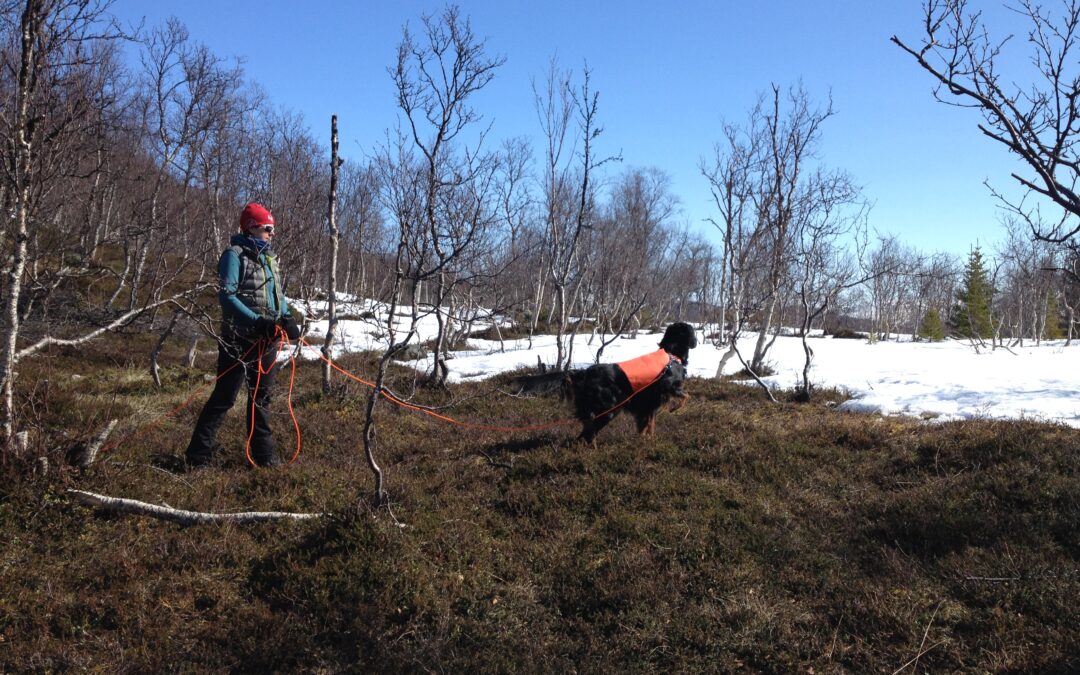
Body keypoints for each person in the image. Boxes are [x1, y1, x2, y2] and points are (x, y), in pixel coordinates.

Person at [184, 202, 301, 469]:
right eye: (267, 228)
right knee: (224, 398)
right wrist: (257, 321)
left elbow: (278, 297)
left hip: (267, 341)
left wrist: (288, 317)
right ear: (251, 227)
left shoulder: (270, 259)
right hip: (238, 340)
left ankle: (264, 456)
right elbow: (227, 297)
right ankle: (197, 456)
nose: (272, 234)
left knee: (261, 398)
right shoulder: (233, 255)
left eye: (272, 229)